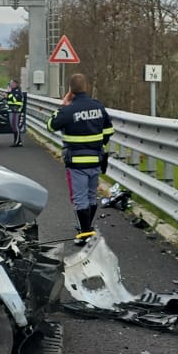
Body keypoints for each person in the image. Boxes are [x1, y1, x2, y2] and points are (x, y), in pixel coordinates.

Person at [48, 73, 113, 244]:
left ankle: (85, 233)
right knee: (92, 196)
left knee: (79, 198)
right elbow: (108, 131)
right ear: (86, 87)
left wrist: (62, 105)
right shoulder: (98, 107)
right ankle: (87, 228)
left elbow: (51, 125)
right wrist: (99, 145)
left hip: (76, 163)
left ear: (70, 90)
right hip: (96, 159)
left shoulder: (68, 110)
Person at [4, 79, 27, 146]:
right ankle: (16, 141)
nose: (11, 85)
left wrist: (9, 93)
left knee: (15, 126)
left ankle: (18, 142)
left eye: (12, 83)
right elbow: (9, 100)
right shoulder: (13, 91)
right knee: (13, 126)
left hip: (15, 111)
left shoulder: (17, 91)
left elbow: (15, 100)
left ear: (15, 84)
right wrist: (7, 95)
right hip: (11, 110)